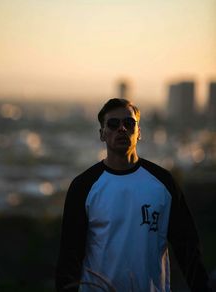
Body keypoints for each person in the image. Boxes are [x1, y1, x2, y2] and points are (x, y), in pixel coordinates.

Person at [56, 98, 211, 291]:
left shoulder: (163, 183)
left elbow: (188, 250)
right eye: (113, 124)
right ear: (102, 134)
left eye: (128, 123)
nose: (121, 129)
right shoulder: (83, 186)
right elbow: (69, 257)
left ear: (139, 133)